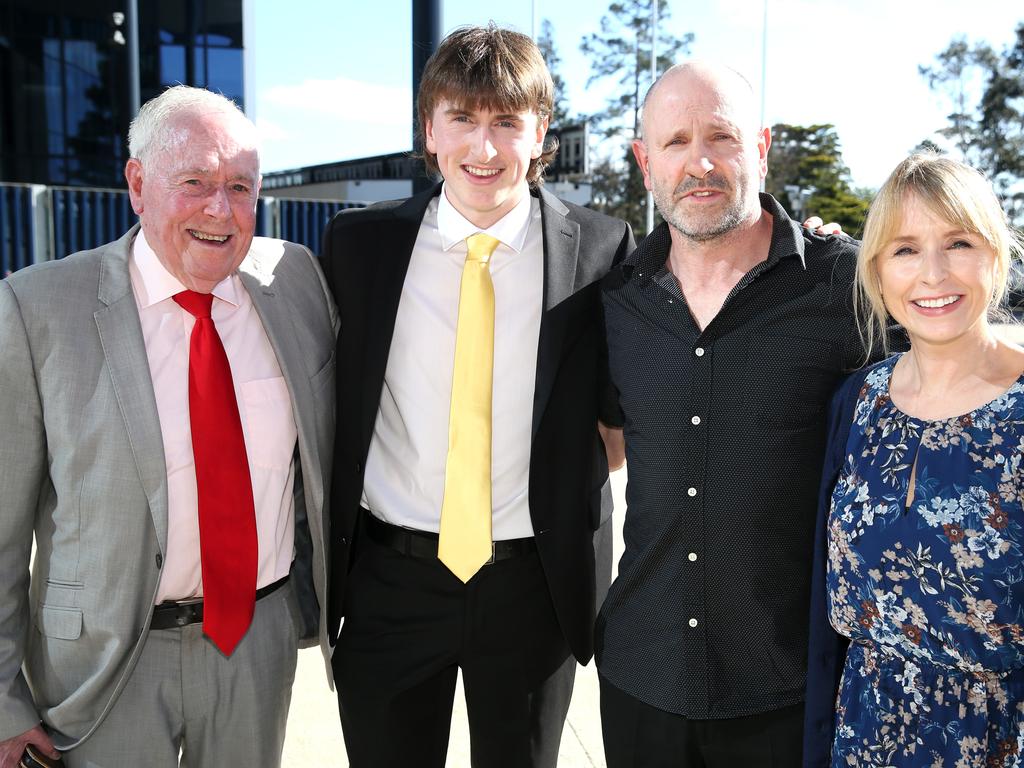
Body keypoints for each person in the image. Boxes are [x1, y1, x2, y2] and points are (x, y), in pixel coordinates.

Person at [319, 23, 633, 768]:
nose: (483, 149)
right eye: (461, 118)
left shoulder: (602, 251)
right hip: (389, 582)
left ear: (540, 132)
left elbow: (619, 414)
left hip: (533, 588)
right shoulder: (358, 249)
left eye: (505, 123)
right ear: (430, 130)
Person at [0, 85, 338, 768]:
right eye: (195, 182)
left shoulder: (296, 282)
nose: (221, 208)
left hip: (254, 644)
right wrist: (4, 703)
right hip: (102, 664)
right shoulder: (39, 307)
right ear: (137, 183)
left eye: (240, 187)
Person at [597, 61, 867, 767]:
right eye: (677, 141)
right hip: (640, 677)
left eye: (721, 136)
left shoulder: (845, 287)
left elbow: (975, 316)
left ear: (762, 145)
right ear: (643, 160)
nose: (700, 162)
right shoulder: (616, 299)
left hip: (783, 689)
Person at [804, 153, 1024, 767]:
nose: (932, 273)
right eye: (904, 249)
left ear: (997, 254)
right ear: (875, 269)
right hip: (864, 737)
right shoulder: (860, 403)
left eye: (958, 242)